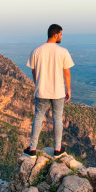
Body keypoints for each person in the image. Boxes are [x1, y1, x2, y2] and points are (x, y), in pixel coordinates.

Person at [24, 23, 74, 158]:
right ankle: (58, 149)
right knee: (57, 118)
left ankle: (32, 148)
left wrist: (38, 84)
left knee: (38, 117)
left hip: (41, 91)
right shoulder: (63, 52)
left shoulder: (36, 51)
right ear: (56, 34)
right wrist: (68, 89)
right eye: (61, 34)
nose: (62, 37)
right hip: (58, 92)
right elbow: (67, 73)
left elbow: (33, 71)